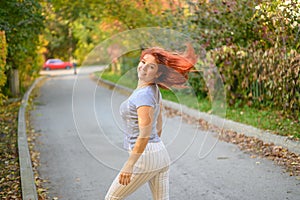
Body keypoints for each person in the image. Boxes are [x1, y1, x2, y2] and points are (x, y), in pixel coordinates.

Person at [105, 44, 197, 200]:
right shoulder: (153, 90)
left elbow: (145, 134)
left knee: (112, 198)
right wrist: (155, 147)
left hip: (146, 157)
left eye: (151, 66)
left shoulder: (144, 95)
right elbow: (158, 124)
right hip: (160, 154)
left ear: (157, 73)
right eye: (143, 62)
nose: (143, 68)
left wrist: (129, 165)